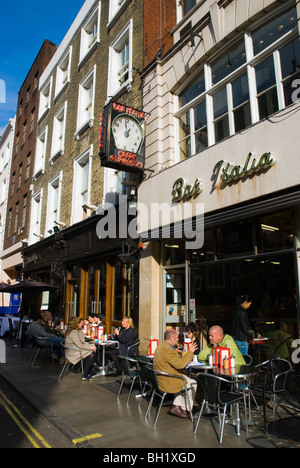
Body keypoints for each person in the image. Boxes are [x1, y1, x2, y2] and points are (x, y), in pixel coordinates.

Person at [153, 328, 198, 419]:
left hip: (162, 378)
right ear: (172, 339)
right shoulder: (169, 350)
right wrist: (190, 352)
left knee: (186, 379)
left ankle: (176, 406)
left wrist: (180, 374)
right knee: (193, 383)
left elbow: (169, 366)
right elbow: (180, 364)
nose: (178, 340)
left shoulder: (161, 347)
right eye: (177, 338)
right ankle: (187, 410)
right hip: (168, 381)